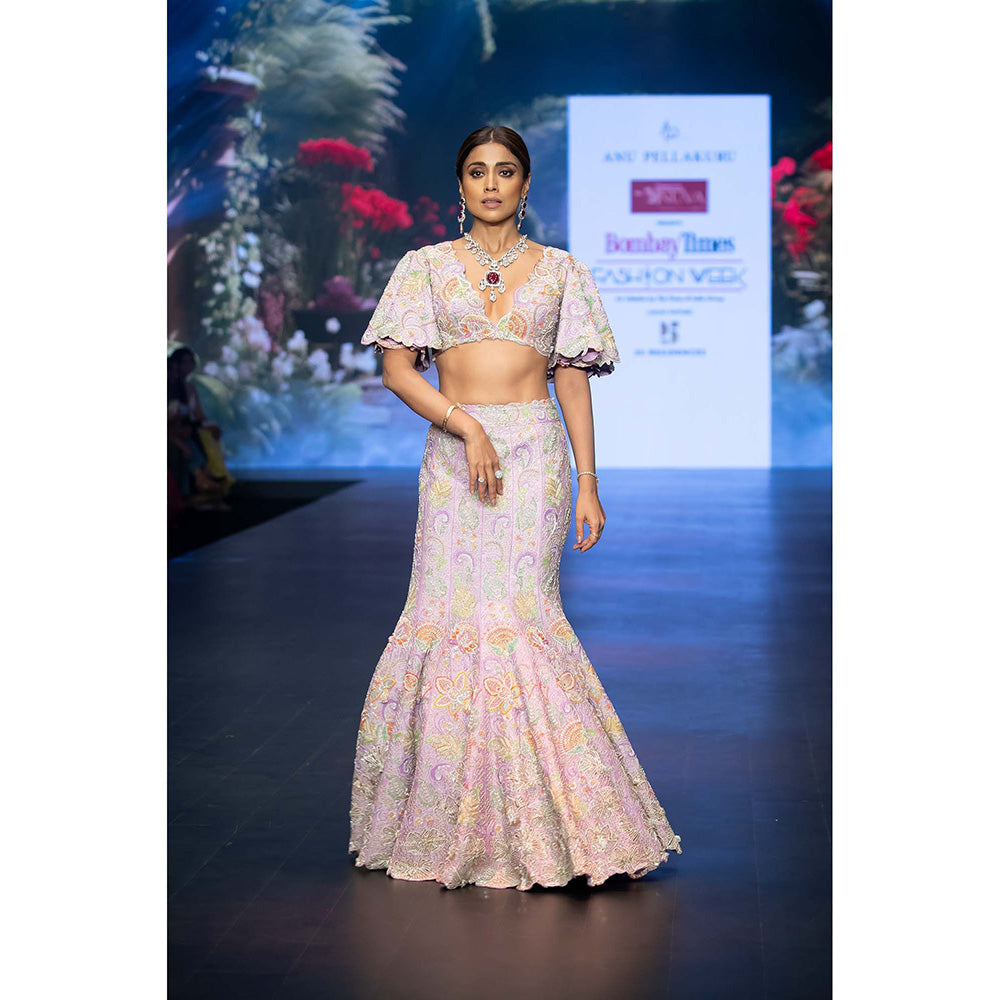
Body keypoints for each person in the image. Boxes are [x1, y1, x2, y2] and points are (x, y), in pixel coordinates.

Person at [349, 126, 682, 890]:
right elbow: (397, 369)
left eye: (505, 171)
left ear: (525, 185)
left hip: (534, 456)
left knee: (522, 616)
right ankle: (446, 822)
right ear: (459, 185)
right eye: (477, 171)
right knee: (446, 615)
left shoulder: (562, 271)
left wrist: (588, 481)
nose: (492, 183)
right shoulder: (425, 267)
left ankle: (558, 822)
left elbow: (572, 379)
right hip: (453, 454)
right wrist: (465, 426)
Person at [167, 345, 236, 506]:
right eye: (183, 363)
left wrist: (208, 425)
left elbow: (197, 414)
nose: (187, 366)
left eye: (190, 362)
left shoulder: (187, 387)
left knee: (208, 435)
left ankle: (211, 476)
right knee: (192, 442)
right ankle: (203, 478)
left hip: (185, 430)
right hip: (175, 433)